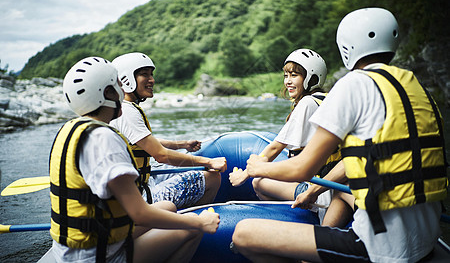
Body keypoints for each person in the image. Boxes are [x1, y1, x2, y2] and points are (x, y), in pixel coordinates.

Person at [232, 7, 448, 262]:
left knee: (243, 234)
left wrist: (257, 168)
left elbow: (300, 169)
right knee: (344, 191)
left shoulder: (353, 83)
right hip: (426, 238)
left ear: (347, 45)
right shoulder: (414, 85)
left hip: (381, 247)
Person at [49, 57, 220, 263]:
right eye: (118, 86)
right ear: (106, 94)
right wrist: (199, 223)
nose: (122, 93)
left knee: (167, 208)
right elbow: (139, 213)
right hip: (99, 256)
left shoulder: (73, 129)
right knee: (191, 228)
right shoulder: (104, 139)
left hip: (84, 244)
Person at [228, 48, 340, 221]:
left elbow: (275, 147)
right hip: (329, 186)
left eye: (294, 75)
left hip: (319, 191)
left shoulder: (307, 104)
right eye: (286, 76)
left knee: (258, 182)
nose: (288, 81)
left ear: (312, 78)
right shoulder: (324, 99)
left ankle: (297, 218)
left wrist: (245, 174)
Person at [109, 52, 226, 209]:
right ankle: (199, 224)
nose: (152, 80)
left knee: (187, 167)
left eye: (151, 74)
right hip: (139, 198)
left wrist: (182, 144)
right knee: (212, 177)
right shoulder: (127, 112)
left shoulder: (122, 108)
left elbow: (143, 142)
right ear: (125, 79)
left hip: (138, 185)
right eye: (144, 75)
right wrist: (209, 161)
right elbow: (161, 155)